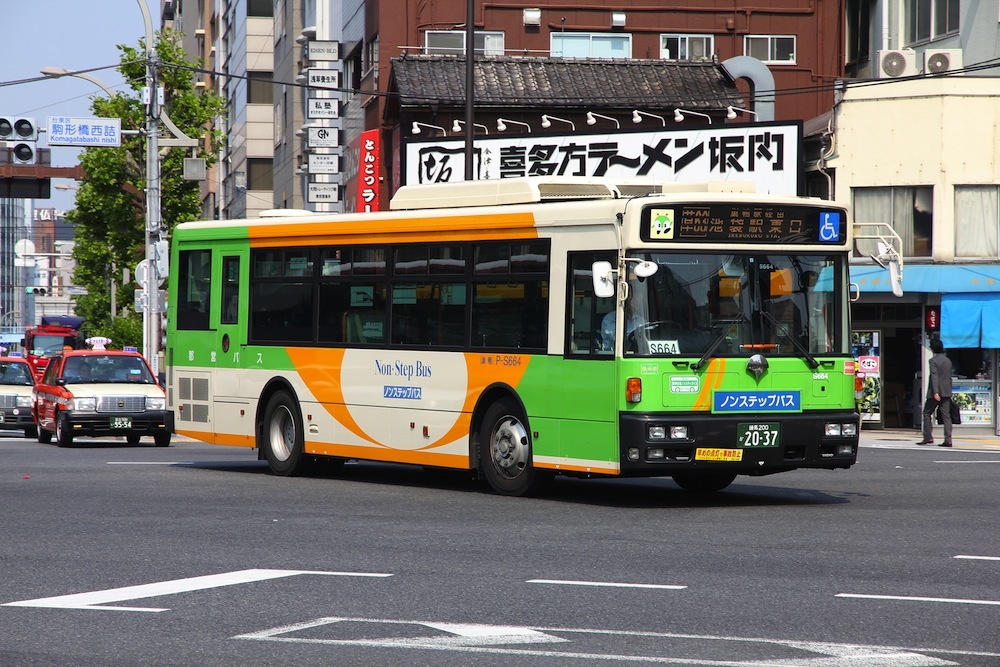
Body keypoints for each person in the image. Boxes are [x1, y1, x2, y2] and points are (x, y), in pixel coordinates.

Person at [919, 338, 953, 447]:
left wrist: (935, 391)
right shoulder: (948, 360)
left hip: (936, 392)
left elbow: (934, 376)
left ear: (932, 349)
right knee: (946, 416)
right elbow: (949, 377)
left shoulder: (933, 361)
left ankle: (928, 437)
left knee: (927, 413)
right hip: (947, 391)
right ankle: (948, 439)